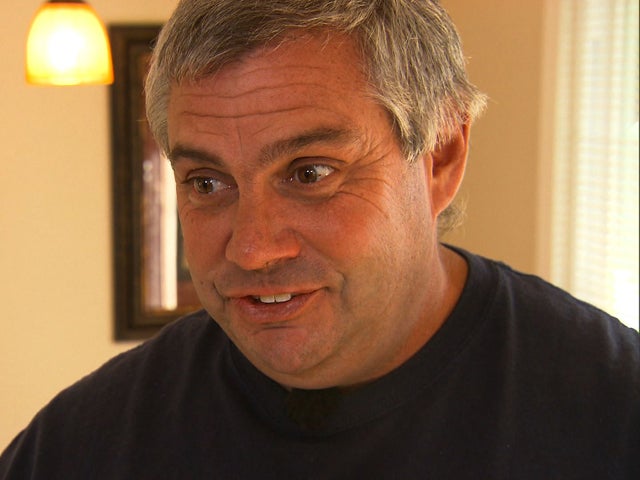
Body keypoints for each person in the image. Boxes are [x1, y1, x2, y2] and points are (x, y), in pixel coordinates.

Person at [1, 0, 638, 478]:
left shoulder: (614, 417)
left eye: (310, 173)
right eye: (207, 182)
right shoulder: (85, 444)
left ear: (441, 156)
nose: (252, 248)